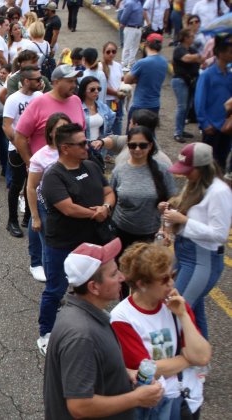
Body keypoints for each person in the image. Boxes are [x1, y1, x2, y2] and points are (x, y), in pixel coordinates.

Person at [43, 238, 164, 419]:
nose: (122, 278)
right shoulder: (81, 336)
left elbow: (96, 365)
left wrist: (125, 373)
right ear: (94, 287)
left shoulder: (87, 314)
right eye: (114, 274)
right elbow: (80, 406)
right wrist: (136, 398)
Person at [37, 123, 115, 355]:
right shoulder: (53, 176)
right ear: (65, 148)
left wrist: (106, 207)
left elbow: (108, 191)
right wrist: (97, 213)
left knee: (92, 285)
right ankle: (46, 332)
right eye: (81, 143)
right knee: (56, 289)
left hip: (92, 241)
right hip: (62, 244)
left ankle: (91, 321)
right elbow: (68, 209)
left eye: (86, 141)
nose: (87, 146)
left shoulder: (91, 166)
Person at [110, 242, 212, 419]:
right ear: (142, 284)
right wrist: (187, 359)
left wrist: (183, 315)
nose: (172, 282)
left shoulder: (175, 303)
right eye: (164, 279)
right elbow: (145, 370)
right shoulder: (122, 317)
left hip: (187, 400)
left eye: (173, 275)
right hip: (156, 405)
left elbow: (202, 357)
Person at [162, 142, 232, 338]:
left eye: (188, 170)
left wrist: (183, 220)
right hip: (186, 253)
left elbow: (219, 234)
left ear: (203, 168)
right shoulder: (197, 183)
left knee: (176, 309)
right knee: (192, 310)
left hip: (202, 258)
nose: (184, 174)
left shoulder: (219, 192)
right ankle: (200, 362)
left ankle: (186, 361)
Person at [110, 126, 176, 254]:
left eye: (143, 145)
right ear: (127, 146)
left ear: (150, 146)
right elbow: (111, 198)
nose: (137, 149)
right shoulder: (119, 170)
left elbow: (173, 200)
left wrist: (167, 229)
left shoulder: (162, 170)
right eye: (133, 145)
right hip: (120, 232)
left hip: (150, 234)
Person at [26, 113, 71, 283]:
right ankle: (50, 279)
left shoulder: (72, 151)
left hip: (67, 206)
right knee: (49, 247)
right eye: (59, 129)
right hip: (46, 207)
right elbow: (31, 187)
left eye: (67, 127)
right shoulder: (40, 157)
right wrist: (36, 217)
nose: (64, 132)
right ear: (51, 132)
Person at [13, 64, 85, 168]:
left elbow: (82, 131)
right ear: (56, 82)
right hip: (46, 171)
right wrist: (30, 164)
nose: (74, 85)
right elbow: (20, 137)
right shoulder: (38, 103)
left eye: (75, 81)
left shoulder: (76, 101)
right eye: (70, 81)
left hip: (74, 168)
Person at [3, 65, 43, 239]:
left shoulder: (40, 97)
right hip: (17, 150)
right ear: (26, 81)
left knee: (32, 184)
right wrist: (19, 145)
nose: (41, 82)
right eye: (37, 79)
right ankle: (12, 220)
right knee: (17, 184)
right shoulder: (13, 99)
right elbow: (7, 126)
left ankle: (28, 215)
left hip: (37, 148)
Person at [194, 33, 232, 172]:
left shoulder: (229, 75)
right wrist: (204, 123)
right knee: (207, 163)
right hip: (211, 126)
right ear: (221, 53)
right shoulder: (207, 75)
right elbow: (199, 100)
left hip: (226, 126)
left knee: (222, 161)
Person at [124, 34, 168, 131]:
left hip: (140, 104)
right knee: (149, 135)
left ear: (146, 44)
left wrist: (135, 78)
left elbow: (126, 80)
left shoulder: (142, 63)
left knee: (132, 135)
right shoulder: (164, 61)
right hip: (155, 104)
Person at [171, 29, 202, 144]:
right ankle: (177, 132)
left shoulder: (192, 49)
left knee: (187, 107)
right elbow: (188, 58)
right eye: (191, 36)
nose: (193, 38)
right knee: (182, 106)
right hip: (180, 80)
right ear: (185, 38)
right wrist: (202, 54)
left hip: (190, 81)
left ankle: (181, 129)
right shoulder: (179, 49)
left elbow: (200, 60)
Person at [78, 76, 115, 156]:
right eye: (92, 89)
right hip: (83, 148)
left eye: (99, 89)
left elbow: (109, 129)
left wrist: (104, 142)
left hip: (100, 148)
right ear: (84, 90)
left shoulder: (103, 107)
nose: (96, 91)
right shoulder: (77, 107)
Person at [100, 41, 125, 135]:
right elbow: (102, 86)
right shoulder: (100, 67)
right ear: (103, 52)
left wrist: (122, 90)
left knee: (118, 121)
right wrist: (116, 93)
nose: (111, 54)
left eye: (113, 51)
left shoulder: (118, 65)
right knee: (108, 125)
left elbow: (122, 80)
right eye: (108, 52)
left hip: (118, 99)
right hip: (107, 100)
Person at [119, 0, 145, 70]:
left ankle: (131, 63)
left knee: (135, 47)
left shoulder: (139, 2)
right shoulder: (130, 3)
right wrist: (122, 23)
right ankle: (124, 63)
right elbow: (125, 15)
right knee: (127, 46)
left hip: (138, 28)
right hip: (130, 27)